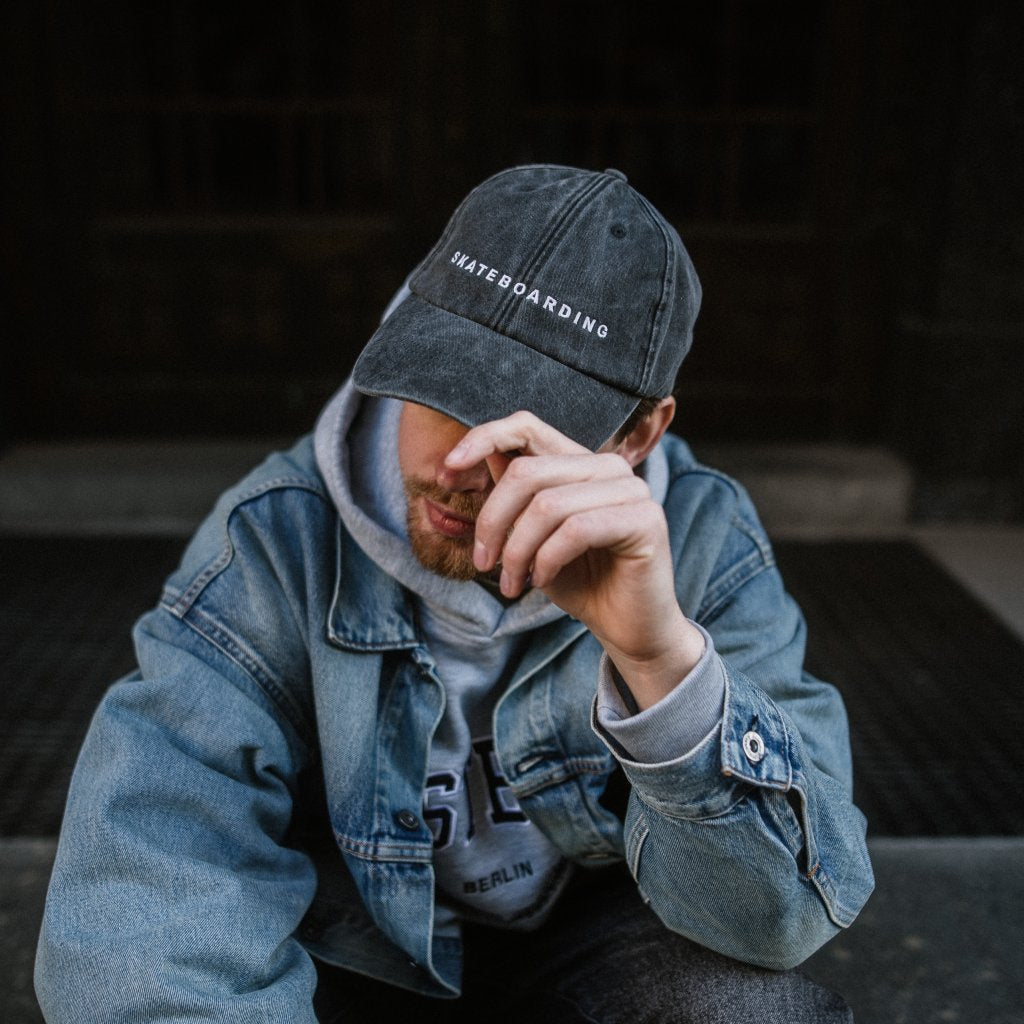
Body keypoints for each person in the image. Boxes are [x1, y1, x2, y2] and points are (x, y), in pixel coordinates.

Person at [35, 165, 873, 1022]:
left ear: (637, 433)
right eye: (438, 389)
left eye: (519, 424)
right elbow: (152, 885)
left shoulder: (704, 538)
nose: (454, 463)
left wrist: (661, 662)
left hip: (600, 942)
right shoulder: (275, 539)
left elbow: (781, 920)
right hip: (358, 952)